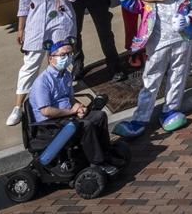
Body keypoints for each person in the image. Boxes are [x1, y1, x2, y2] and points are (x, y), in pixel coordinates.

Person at [26, 39, 124, 173]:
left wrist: (79, 107)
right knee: (87, 125)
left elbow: (70, 98)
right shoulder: (42, 82)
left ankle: (106, 153)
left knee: (99, 116)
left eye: (70, 54)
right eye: (63, 55)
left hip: (66, 116)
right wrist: (71, 111)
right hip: (50, 124)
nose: (67, 58)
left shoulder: (66, 75)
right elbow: (46, 111)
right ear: (50, 58)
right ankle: (98, 163)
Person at [10, 0, 76, 127]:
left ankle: (62, 97)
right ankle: (18, 107)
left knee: (61, 62)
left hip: (61, 23)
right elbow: (23, 5)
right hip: (36, 27)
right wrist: (21, 29)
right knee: (30, 65)